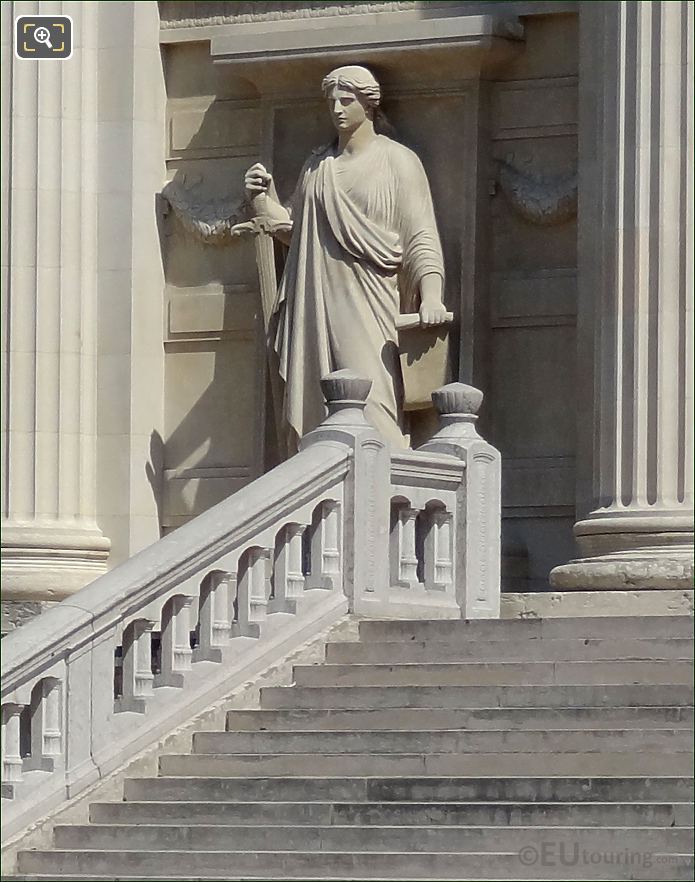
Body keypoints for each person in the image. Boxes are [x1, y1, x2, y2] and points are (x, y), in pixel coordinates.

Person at [244, 65, 448, 450]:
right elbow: (298, 234)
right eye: (332, 101)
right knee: (323, 400)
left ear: (369, 103)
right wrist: (262, 199)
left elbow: (421, 236)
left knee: (374, 400)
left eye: (346, 100)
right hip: (318, 303)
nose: (337, 109)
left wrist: (432, 294)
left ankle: (384, 491)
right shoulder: (318, 167)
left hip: (373, 303)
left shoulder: (398, 161)